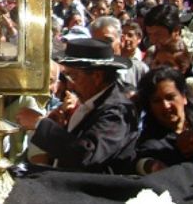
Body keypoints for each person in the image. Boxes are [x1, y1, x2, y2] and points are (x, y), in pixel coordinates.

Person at [25, 38, 139, 174]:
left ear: (97, 76)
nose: (70, 85)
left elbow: (87, 155)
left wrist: (40, 125)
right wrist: (59, 128)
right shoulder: (91, 101)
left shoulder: (117, 111)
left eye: (73, 77)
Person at [135, 67, 193, 174]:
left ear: (184, 97)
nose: (165, 106)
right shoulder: (151, 144)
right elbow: (143, 161)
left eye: (170, 97)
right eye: (157, 101)